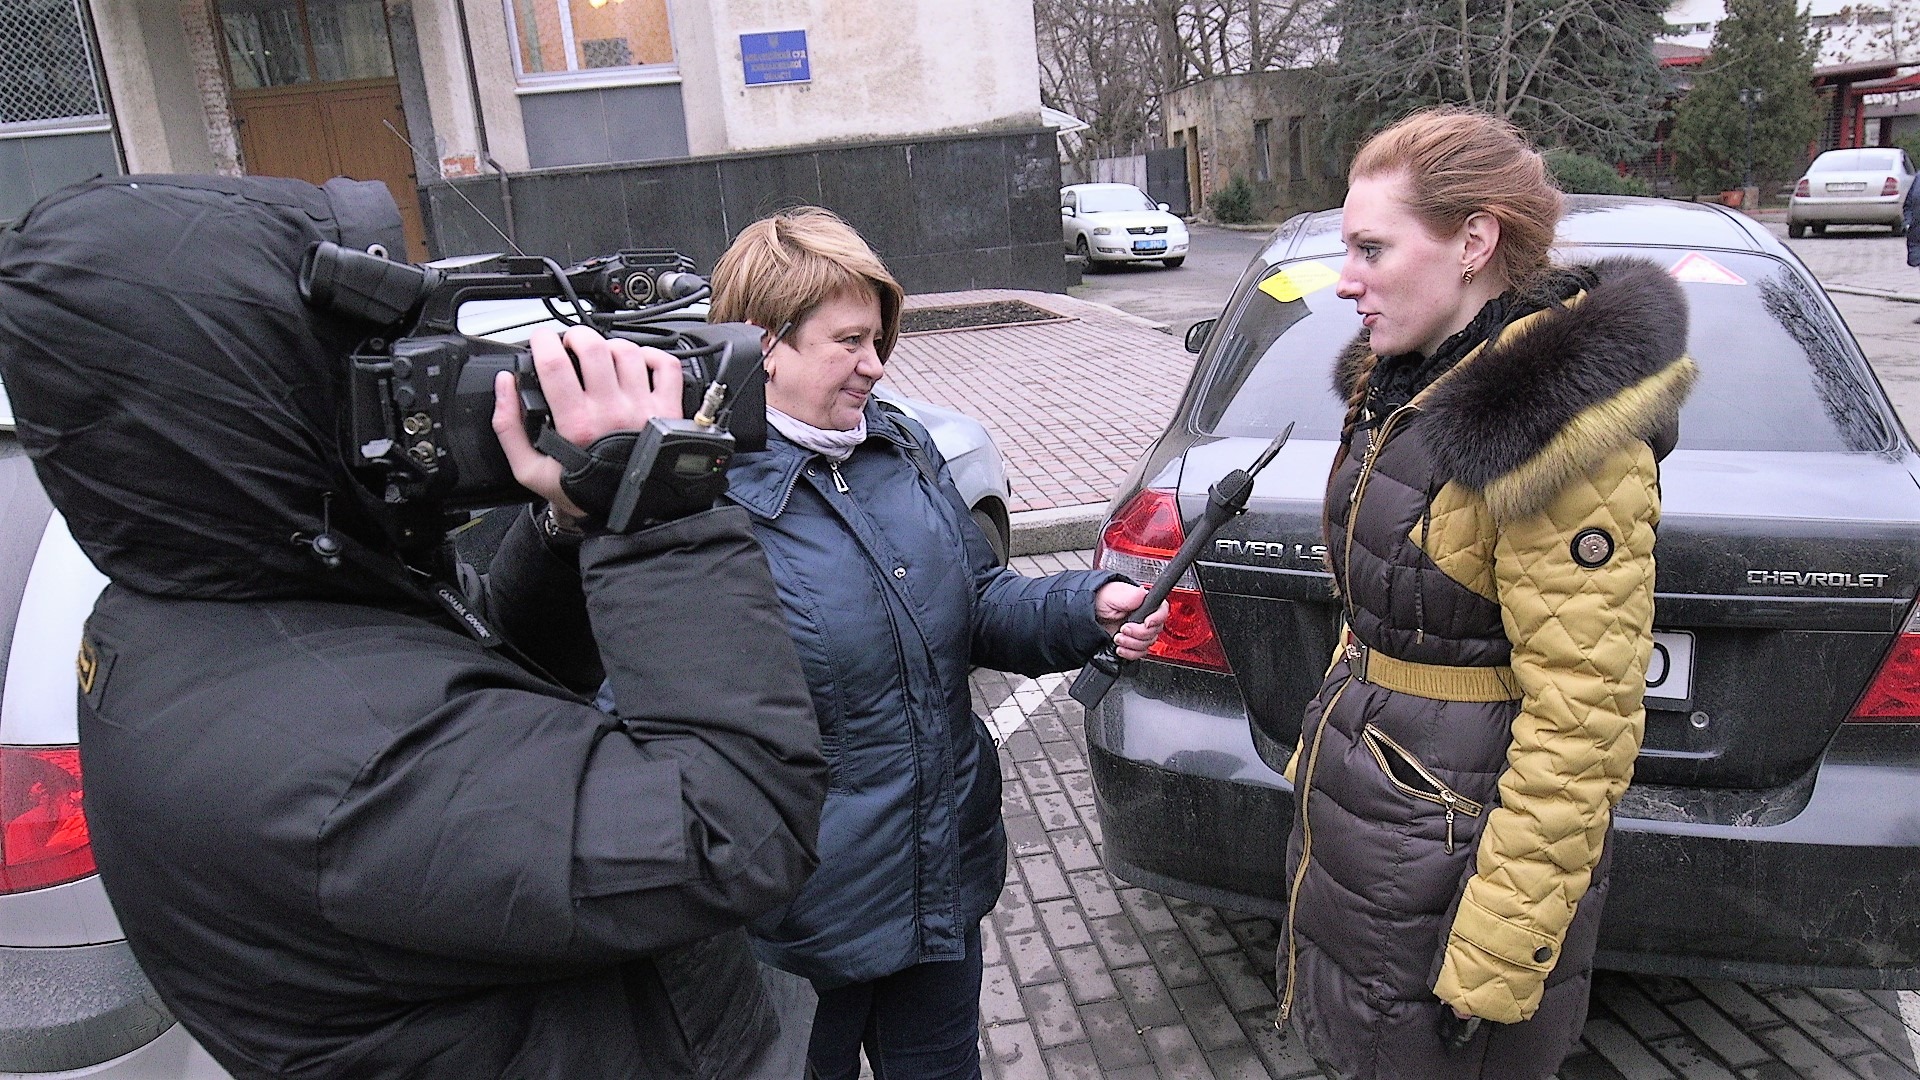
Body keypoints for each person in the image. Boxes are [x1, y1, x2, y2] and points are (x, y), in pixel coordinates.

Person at [0, 175, 827, 1079]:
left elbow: (479, 690)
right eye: (374, 364)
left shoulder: (227, 601)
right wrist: (658, 512)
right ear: (257, 410)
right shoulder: (337, 769)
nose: (419, 381)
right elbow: (733, 830)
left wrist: (571, 528)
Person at [682, 206, 1167, 1079]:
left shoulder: (898, 445)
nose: (876, 364)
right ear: (763, 343)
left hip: (936, 890)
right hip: (795, 933)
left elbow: (975, 603)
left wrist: (1087, 606)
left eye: (878, 339)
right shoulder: (698, 499)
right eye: (849, 341)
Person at [1276, 108, 1697, 1080]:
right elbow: (1378, 611)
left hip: (1457, 871)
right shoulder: (1407, 385)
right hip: (1378, 835)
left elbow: (1584, 723)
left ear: (1474, 241)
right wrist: (1323, 763)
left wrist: (1500, 951)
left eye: (1372, 249)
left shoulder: (1552, 430)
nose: (1345, 280)